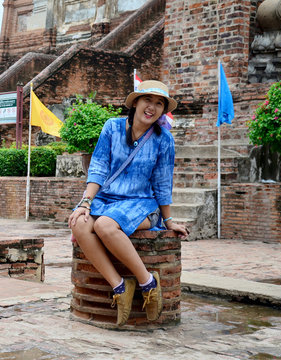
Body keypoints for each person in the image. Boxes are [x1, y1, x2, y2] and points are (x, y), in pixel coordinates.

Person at [68, 80, 189, 326]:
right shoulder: (112, 128)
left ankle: (148, 283)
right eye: (148, 100)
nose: (152, 108)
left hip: (142, 203)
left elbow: (162, 182)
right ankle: (121, 287)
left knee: (104, 226)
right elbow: (99, 168)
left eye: (159, 104)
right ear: (135, 103)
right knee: (80, 223)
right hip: (107, 199)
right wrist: (85, 202)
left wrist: (169, 221)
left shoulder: (163, 140)